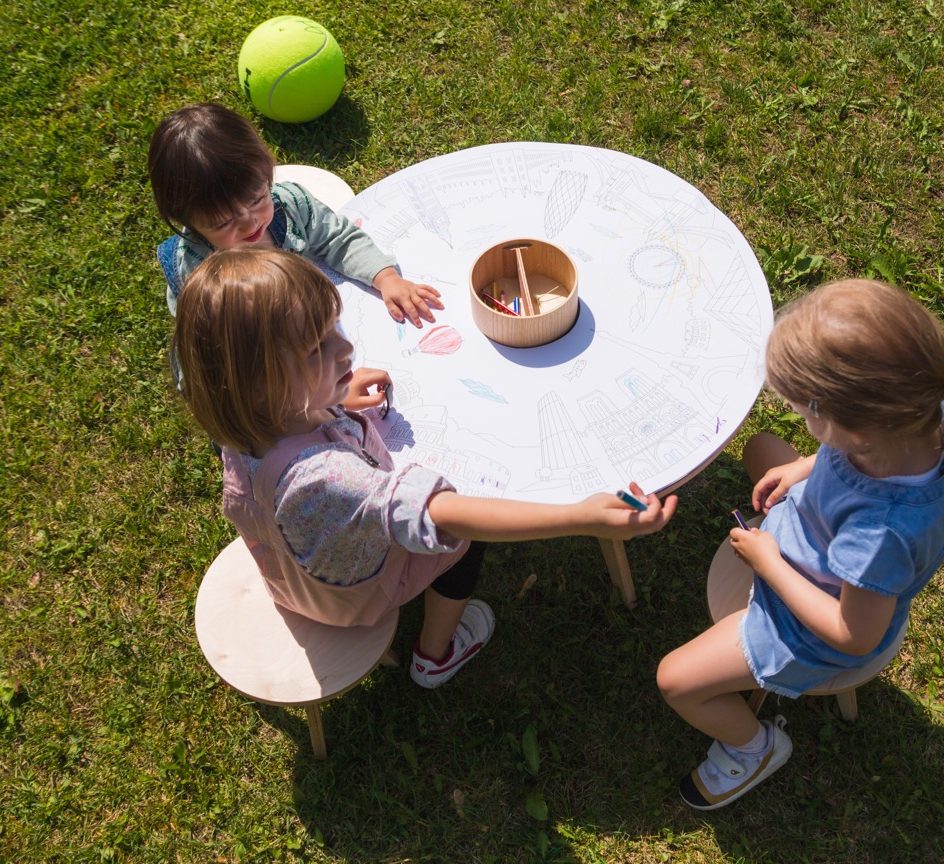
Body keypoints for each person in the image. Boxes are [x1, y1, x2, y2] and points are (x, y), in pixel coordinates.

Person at [174, 247, 678, 687]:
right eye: (316, 349)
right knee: (468, 533)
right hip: (353, 594)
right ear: (263, 386)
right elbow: (443, 514)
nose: (346, 348)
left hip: (287, 572)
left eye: (334, 329)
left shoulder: (240, 421)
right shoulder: (326, 479)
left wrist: (329, 395)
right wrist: (579, 517)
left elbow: (284, 433)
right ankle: (436, 653)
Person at [656, 278, 944, 810]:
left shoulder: (882, 533)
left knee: (675, 680)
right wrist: (802, 466)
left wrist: (768, 563)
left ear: (857, 425)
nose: (798, 417)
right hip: (815, 540)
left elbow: (852, 635)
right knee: (763, 450)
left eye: (803, 409)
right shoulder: (913, 422)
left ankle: (754, 749)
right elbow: (842, 459)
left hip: (811, 625)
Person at [149, 102, 441, 327]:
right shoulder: (197, 271)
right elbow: (220, 345)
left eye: (258, 198)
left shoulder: (289, 207)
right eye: (224, 222)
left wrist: (386, 277)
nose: (250, 221)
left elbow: (338, 238)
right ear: (190, 222)